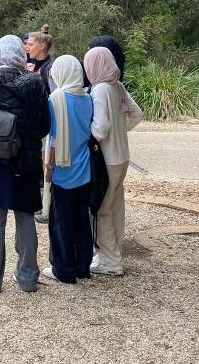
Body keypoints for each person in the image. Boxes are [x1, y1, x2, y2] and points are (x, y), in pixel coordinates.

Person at [0, 35, 50, 295]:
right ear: (21, 55)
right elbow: (46, 124)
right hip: (26, 159)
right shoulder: (36, 82)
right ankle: (27, 278)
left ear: (1, 54)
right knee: (25, 216)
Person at [83, 46, 143, 276]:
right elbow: (136, 115)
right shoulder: (117, 86)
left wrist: (86, 136)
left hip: (105, 160)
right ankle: (114, 253)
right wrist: (121, 130)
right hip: (122, 157)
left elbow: (100, 127)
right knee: (115, 206)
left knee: (101, 209)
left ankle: (109, 260)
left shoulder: (99, 90)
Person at [41, 55, 94, 283]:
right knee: (82, 218)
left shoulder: (55, 99)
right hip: (84, 166)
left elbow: (52, 139)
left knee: (61, 220)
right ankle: (83, 265)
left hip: (63, 167)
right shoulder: (88, 98)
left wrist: (48, 167)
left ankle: (63, 269)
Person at [26, 24, 55, 93]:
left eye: (30, 44)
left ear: (42, 46)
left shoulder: (50, 69)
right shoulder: (38, 67)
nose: (27, 47)